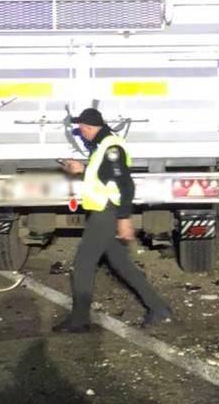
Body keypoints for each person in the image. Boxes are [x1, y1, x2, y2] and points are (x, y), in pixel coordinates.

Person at [53, 108, 172, 333]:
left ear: (87, 128)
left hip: (106, 213)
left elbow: (126, 184)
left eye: (81, 130)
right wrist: (81, 169)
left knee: (83, 264)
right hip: (103, 212)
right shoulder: (103, 147)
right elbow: (103, 175)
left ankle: (79, 320)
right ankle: (158, 308)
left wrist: (124, 218)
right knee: (121, 264)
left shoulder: (112, 147)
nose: (82, 134)